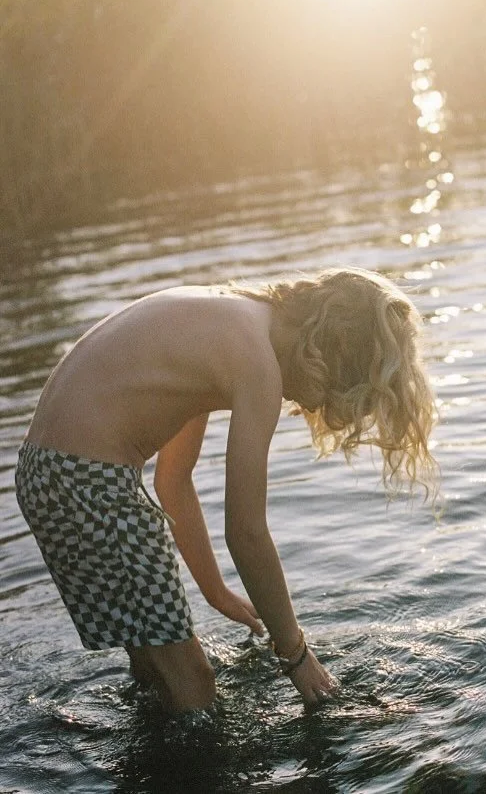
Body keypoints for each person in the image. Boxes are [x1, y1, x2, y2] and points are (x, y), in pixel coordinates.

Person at [15, 268, 439, 713]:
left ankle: (150, 764)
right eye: (334, 387)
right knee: (194, 684)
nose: (313, 404)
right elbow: (247, 532)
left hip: (46, 475)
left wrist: (216, 591)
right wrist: (296, 656)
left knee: (153, 664)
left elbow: (173, 481)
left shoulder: (227, 321)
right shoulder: (258, 364)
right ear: (330, 346)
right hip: (88, 481)